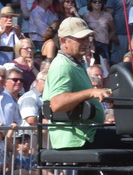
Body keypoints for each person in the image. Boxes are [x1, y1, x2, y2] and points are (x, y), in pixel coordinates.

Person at [42, 17, 118, 150]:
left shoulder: (76, 63)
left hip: (86, 134)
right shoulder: (62, 66)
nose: (86, 42)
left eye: (88, 37)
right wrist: (91, 92)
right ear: (64, 41)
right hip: (77, 138)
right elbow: (57, 103)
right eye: (80, 38)